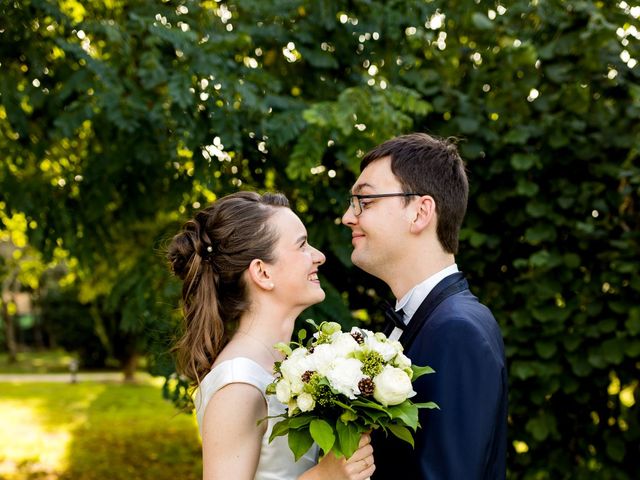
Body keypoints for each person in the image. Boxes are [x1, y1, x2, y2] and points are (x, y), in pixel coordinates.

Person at [168, 191, 376, 480]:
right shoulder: (238, 384)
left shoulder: (288, 363)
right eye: (302, 245)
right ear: (262, 273)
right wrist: (323, 477)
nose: (319, 256)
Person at [341, 133, 507, 479]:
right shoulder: (421, 319)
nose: (348, 217)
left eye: (364, 202)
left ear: (420, 212)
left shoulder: (458, 330)